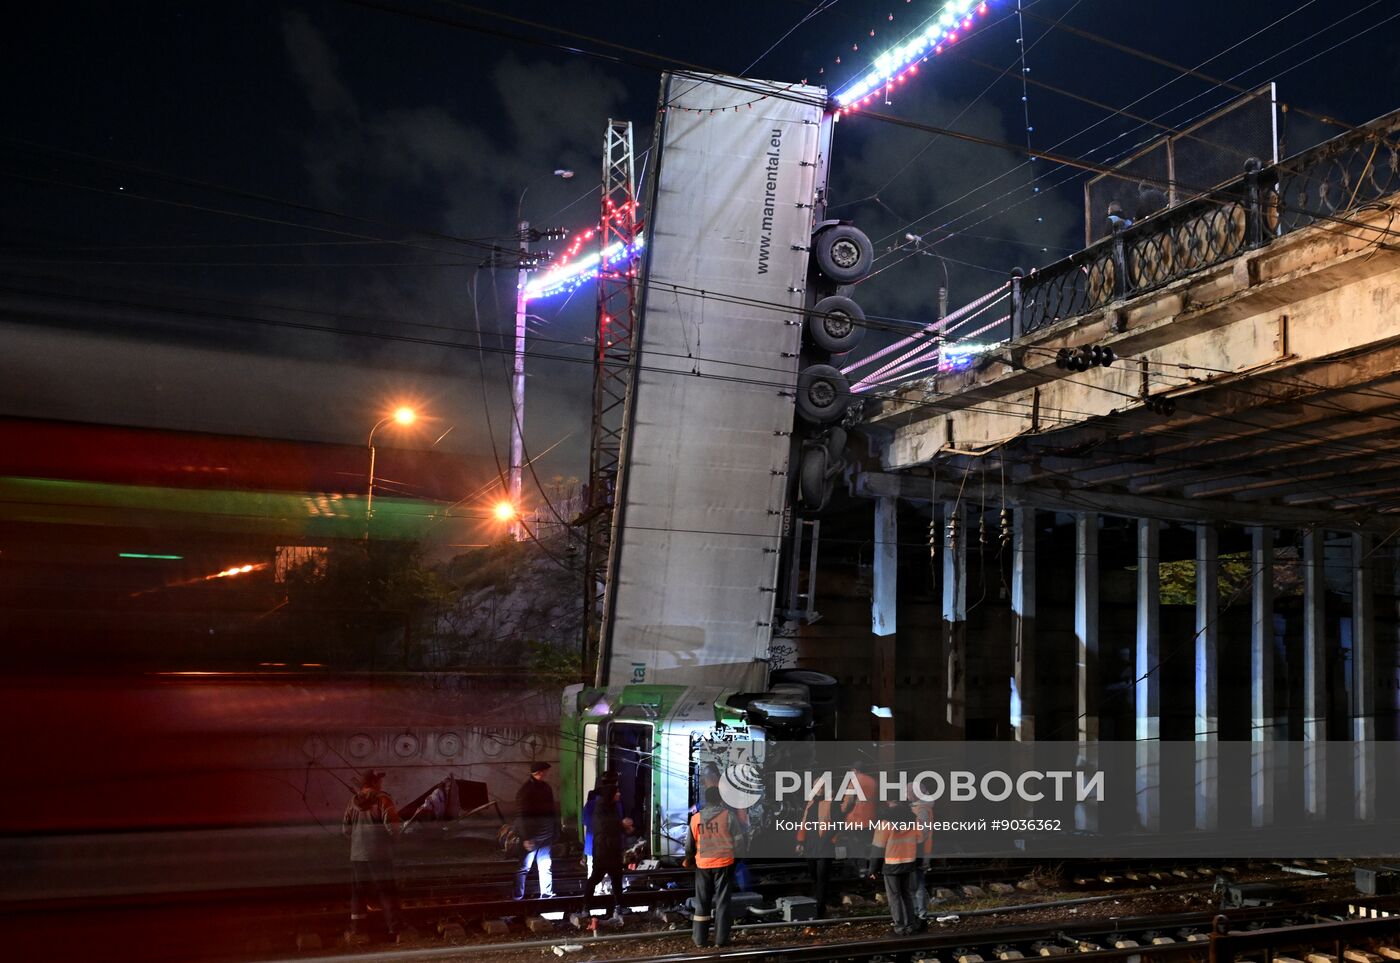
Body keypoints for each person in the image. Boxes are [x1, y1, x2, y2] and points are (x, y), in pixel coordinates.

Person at [342, 769, 405, 942]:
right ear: (374, 782)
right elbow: (392, 827)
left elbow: (345, 830)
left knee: (358, 893)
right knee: (387, 891)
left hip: (357, 855)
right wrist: (395, 840)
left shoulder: (353, 802)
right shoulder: (383, 799)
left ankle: (358, 929)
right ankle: (395, 928)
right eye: (380, 780)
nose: (381, 783)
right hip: (380, 855)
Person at [686, 786, 739, 948]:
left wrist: (689, 860)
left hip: (703, 864)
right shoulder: (729, 816)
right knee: (723, 902)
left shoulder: (696, 819)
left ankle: (699, 939)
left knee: (702, 902)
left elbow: (689, 845)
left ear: (707, 800)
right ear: (721, 799)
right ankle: (721, 940)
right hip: (724, 863)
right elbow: (739, 840)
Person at [871, 801, 928, 936]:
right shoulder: (914, 823)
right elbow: (920, 845)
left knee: (894, 897)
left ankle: (899, 927)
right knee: (907, 895)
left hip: (891, 866)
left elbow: (877, 850)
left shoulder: (885, 824)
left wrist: (873, 870)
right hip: (909, 864)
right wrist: (918, 863)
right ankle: (910, 926)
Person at [584, 774, 627, 922]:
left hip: (612, 850)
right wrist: (621, 825)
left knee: (616, 879)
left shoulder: (611, 807)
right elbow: (605, 827)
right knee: (596, 877)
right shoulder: (600, 808)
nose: (619, 794)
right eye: (617, 792)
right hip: (604, 851)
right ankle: (586, 906)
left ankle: (619, 905)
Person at [514, 761, 558, 900]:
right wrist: (526, 837)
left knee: (526, 868)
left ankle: (522, 896)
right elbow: (521, 816)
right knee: (535, 867)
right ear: (540, 772)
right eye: (546, 771)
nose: (547, 774)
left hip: (539, 835)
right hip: (535, 836)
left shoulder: (531, 789)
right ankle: (540, 895)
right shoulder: (530, 791)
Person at [795, 784, 837, 918]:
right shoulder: (811, 803)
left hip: (824, 846)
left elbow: (837, 824)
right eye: (817, 787)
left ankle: (820, 909)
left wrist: (828, 840)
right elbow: (804, 822)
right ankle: (817, 905)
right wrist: (800, 842)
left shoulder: (831, 803)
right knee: (814, 877)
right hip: (811, 846)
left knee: (822, 878)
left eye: (822, 787)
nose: (819, 790)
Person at [909, 797, 935, 921]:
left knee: (917, 883)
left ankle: (920, 914)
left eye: (908, 791)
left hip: (920, 851)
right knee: (916, 882)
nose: (905, 794)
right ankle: (917, 913)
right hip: (919, 850)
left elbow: (922, 831)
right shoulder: (918, 807)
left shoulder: (922, 809)